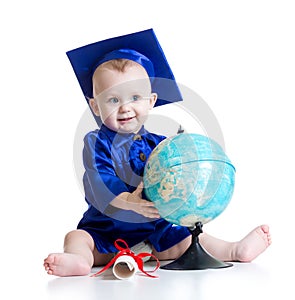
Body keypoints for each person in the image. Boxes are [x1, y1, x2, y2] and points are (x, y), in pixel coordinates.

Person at [44, 29, 271, 277]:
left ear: (151, 101)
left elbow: (178, 177)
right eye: (112, 100)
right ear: (95, 106)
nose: (125, 107)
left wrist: (188, 166)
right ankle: (79, 260)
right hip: (104, 233)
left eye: (135, 97)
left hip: (154, 234)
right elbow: (99, 182)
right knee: (77, 237)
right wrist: (129, 200)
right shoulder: (97, 142)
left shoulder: (162, 146)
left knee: (188, 239)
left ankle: (235, 250)